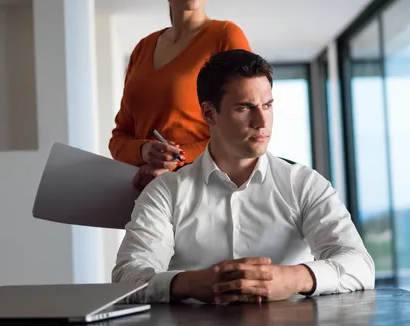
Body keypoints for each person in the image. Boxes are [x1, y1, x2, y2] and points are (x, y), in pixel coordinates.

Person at [112, 49, 375, 304]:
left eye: (268, 105)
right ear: (209, 113)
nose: (262, 121)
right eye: (245, 107)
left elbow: (360, 264)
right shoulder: (165, 192)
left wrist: (294, 278)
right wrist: (188, 283)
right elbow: (126, 277)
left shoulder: (305, 184)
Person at [109, 0, 251, 189]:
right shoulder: (143, 48)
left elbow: (244, 127)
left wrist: (175, 159)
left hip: (206, 190)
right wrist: (143, 151)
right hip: (148, 195)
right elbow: (119, 139)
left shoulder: (226, 36)